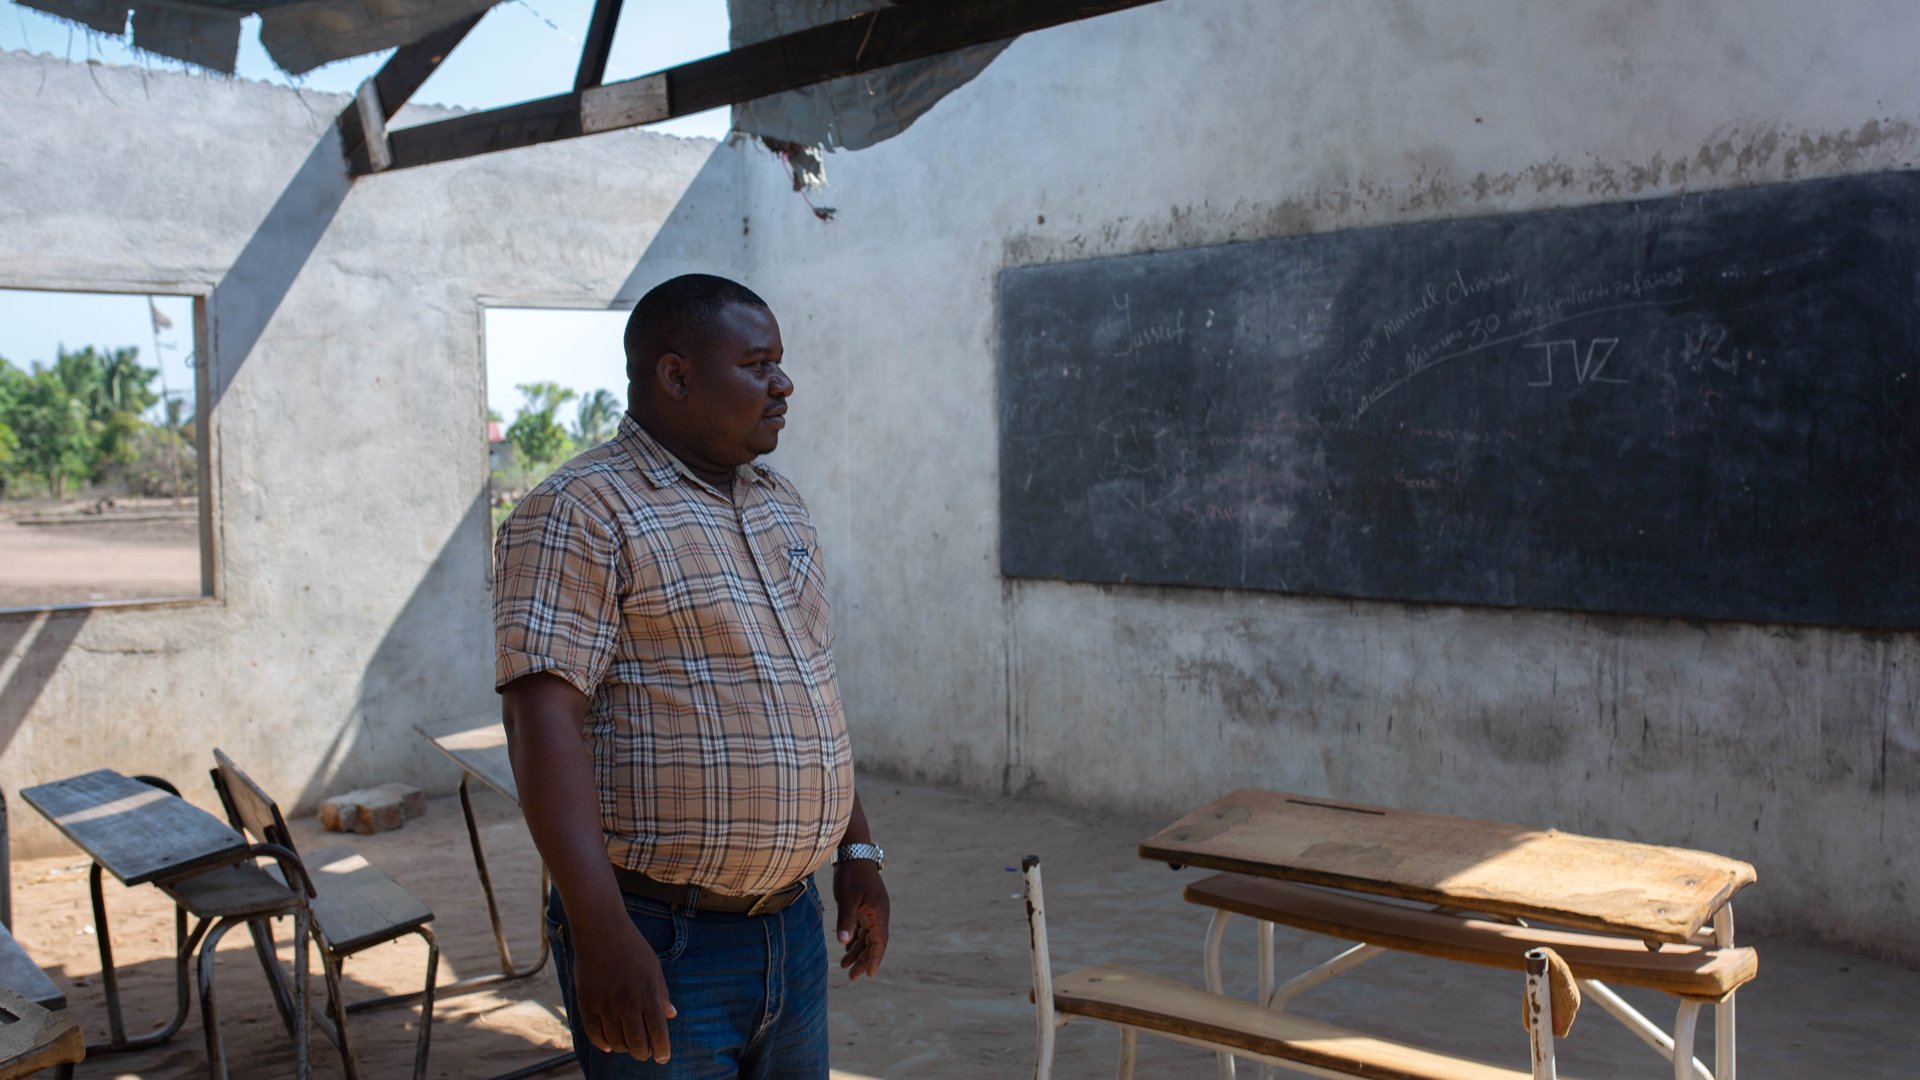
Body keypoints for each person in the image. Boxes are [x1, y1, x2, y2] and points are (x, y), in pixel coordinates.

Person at [492, 273, 889, 1079]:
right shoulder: (582, 510)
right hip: (660, 938)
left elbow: (807, 694)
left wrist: (859, 851)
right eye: (757, 364)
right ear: (675, 375)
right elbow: (543, 722)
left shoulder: (780, 504)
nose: (783, 384)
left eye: (779, 363)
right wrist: (601, 930)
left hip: (790, 930)